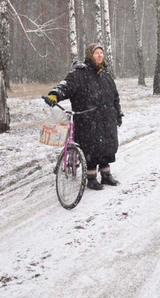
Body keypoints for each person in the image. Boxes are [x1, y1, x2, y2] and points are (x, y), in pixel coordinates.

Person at [43, 43, 123, 190]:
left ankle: (106, 175)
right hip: (88, 119)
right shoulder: (79, 74)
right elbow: (66, 85)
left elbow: (115, 97)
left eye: (101, 53)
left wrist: (118, 114)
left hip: (107, 118)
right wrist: (55, 95)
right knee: (91, 148)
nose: (99, 55)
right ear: (89, 55)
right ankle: (91, 177)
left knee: (107, 146)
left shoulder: (106, 75)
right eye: (96, 53)